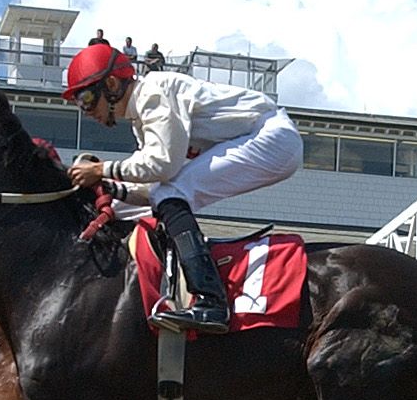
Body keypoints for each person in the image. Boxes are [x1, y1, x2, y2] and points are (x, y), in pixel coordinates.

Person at [62, 42, 303, 332]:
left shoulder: (154, 92)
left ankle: (211, 300)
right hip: (265, 139)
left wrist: (101, 170)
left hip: (271, 137)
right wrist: (113, 191)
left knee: (171, 192)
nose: (86, 110)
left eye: (86, 98)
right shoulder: (142, 117)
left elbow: (162, 166)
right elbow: (153, 185)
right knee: (139, 202)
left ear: (111, 84)